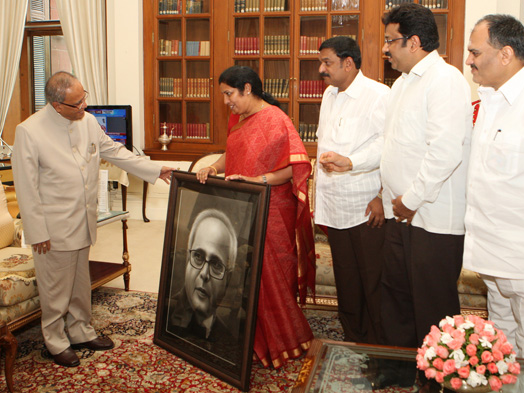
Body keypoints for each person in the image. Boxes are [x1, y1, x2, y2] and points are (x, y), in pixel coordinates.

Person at [12, 71, 173, 368]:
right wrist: (37, 231)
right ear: (57, 105)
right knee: (55, 288)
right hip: (51, 226)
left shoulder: (86, 121)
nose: (84, 106)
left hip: (83, 220)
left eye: (84, 98)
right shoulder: (29, 131)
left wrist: (154, 169)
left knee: (79, 282)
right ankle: (55, 340)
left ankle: (81, 331)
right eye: (77, 103)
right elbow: (26, 186)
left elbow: (113, 151)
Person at [197, 65, 315, 368]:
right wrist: (213, 167)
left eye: (229, 94)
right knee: (244, 274)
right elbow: (230, 154)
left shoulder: (277, 119)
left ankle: (282, 339)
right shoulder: (239, 119)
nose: (226, 102)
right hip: (242, 208)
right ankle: (250, 337)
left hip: (272, 209)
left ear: (247, 88)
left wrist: (260, 181)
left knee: (272, 275)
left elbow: (297, 166)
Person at [378, 3, 471, 387]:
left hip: (431, 217)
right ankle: (402, 371)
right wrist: (390, 201)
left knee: (432, 306)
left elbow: (444, 152)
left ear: (414, 42)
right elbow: (396, 147)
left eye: (391, 41)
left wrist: (410, 200)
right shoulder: (401, 84)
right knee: (398, 299)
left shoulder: (445, 80)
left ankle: (437, 382)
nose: (386, 49)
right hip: (400, 214)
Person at [463, 14, 524, 361]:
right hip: (491, 254)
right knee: (500, 345)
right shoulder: (490, 99)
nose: (468, 60)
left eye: (475, 52)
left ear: (505, 54)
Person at [314, 36, 389, 344]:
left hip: (365, 206)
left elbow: (389, 146)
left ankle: (380, 348)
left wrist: (381, 195)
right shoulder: (329, 95)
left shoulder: (379, 95)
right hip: (335, 206)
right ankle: (353, 340)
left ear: (348, 63)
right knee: (347, 281)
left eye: (327, 62)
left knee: (373, 281)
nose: (321, 69)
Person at [169, 208, 238, 341]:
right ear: (187, 260)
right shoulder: (165, 317)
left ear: (228, 279)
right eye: (198, 256)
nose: (204, 274)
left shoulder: (229, 340)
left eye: (216, 264)